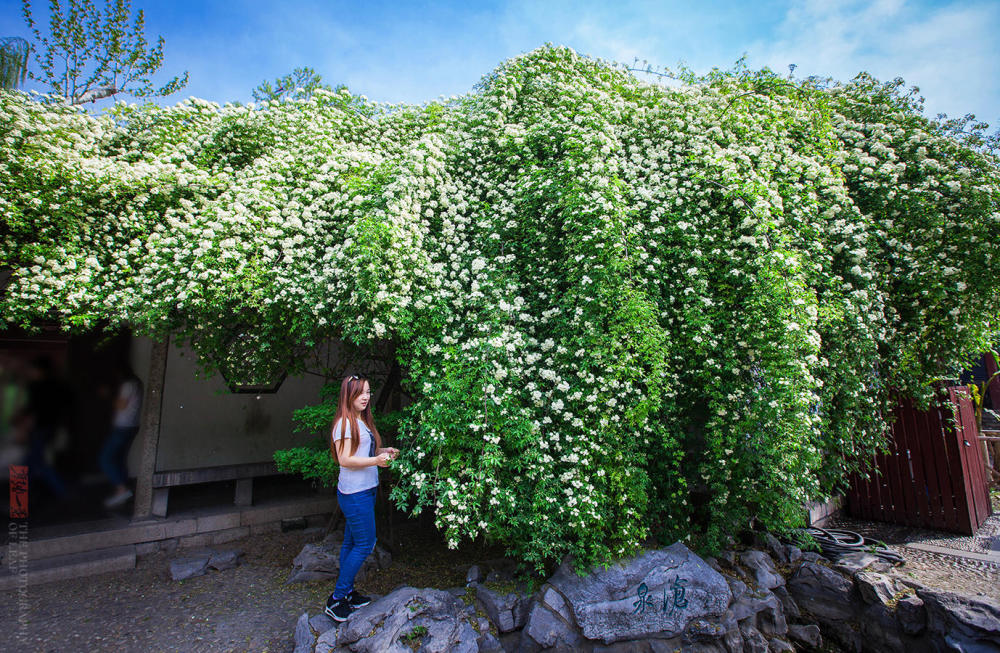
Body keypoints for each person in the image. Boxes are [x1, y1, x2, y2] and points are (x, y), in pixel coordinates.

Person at [324, 374, 399, 622]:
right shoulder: (344, 424)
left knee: (351, 543)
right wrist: (376, 461)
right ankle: (336, 600)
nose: (366, 397)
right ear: (349, 395)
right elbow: (345, 459)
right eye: (361, 393)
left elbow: (362, 452)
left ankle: (345, 593)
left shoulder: (361, 420)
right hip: (354, 493)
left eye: (368, 392)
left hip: (363, 490)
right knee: (366, 544)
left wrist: (382, 452)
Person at [99, 362, 143, 508]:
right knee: (120, 459)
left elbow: (121, 405)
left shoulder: (128, 385)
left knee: (106, 458)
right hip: (132, 425)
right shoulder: (137, 383)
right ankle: (124, 491)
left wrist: (108, 396)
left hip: (123, 427)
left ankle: (121, 489)